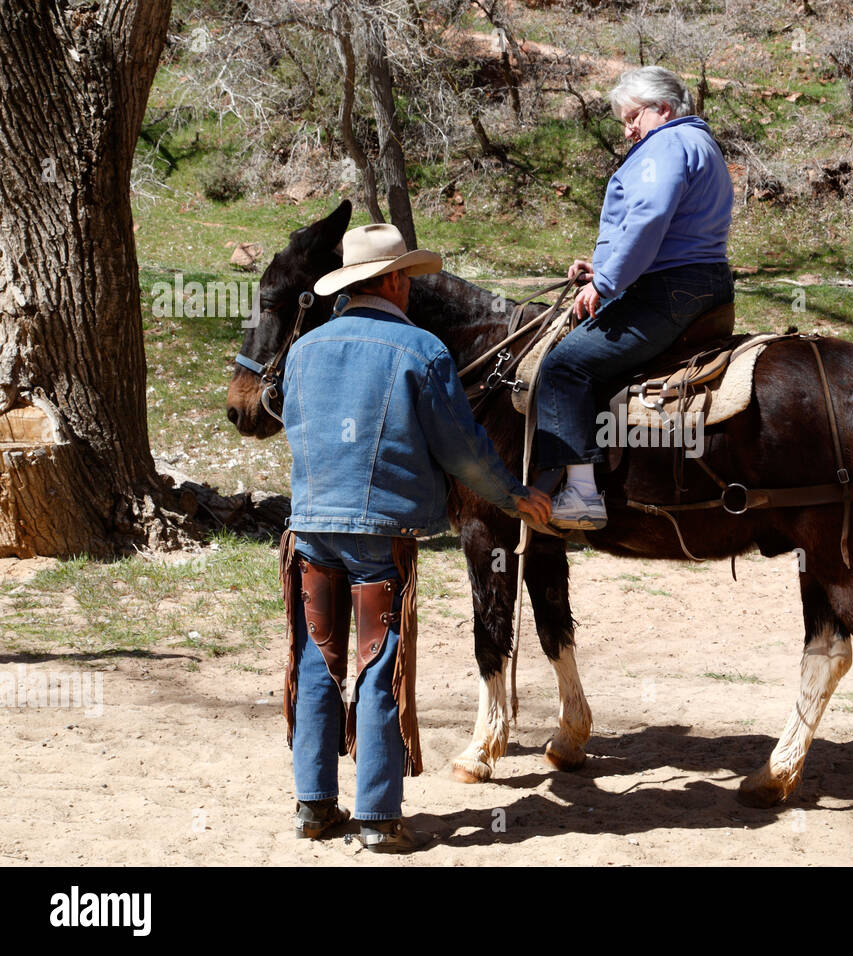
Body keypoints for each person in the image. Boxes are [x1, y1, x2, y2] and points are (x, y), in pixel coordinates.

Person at [279, 223, 551, 852]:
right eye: (409, 278)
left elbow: (294, 425)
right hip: (382, 530)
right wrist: (515, 494)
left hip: (311, 526)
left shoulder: (304, 350)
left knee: (317, 658)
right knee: (379, 662)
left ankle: (314, 806)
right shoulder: (421, 350)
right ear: (396, 280)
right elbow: (462, 449)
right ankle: (378, 817)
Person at [534, 66, 734, 530]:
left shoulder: (663, 144)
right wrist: (602, 268)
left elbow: (648, 219)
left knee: (565, 365)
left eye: (631, 118)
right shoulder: (701, 143)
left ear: (662, 109)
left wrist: (604, 283)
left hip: (668, 290)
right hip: (705, 283)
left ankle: (582, 494)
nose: (627, 132)